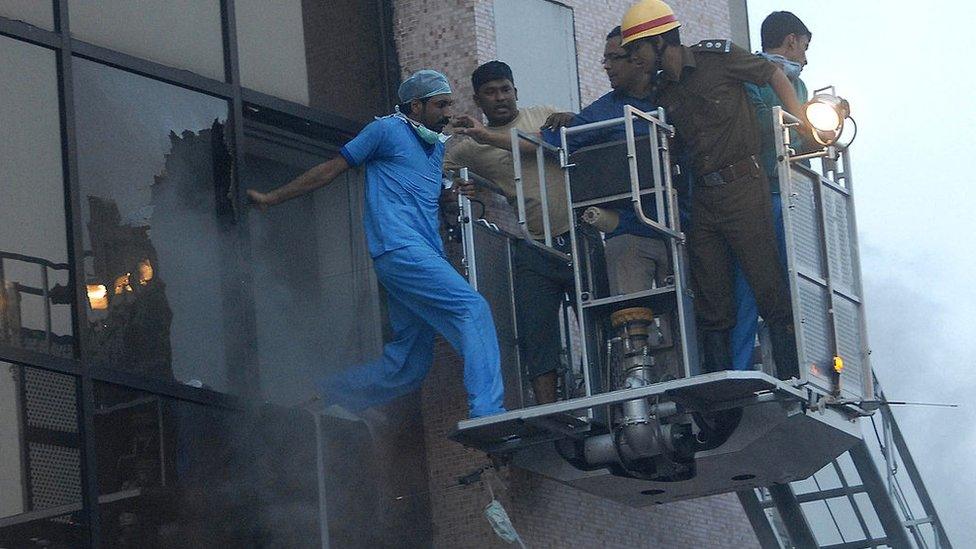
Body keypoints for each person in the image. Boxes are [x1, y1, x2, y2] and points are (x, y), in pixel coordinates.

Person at [247, 70, 505, 418]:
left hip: (421, 255)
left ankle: (319, 398)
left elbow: (424, 196)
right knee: (472, 310)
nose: (447, 113)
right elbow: (330, 170)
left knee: (409, 366)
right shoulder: (386, 130)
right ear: (416, 105)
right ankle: (488, 412)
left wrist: (452, 195)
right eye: (441, 104)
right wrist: (272, 198)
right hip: (401, 250)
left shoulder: (433, 150)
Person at [620, 0, 802, 378]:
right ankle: (723, 389)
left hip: (743, 188)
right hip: (702, 198)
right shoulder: (661, 90)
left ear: (658, 42)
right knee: (712, 298)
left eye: (636, 48)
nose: (634, 57)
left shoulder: (716, 58)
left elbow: (773, 74)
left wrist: (802, 123)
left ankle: (792, 377)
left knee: (768, 287)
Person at [444, 61, 573, 404]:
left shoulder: (542, 116)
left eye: (505, 89)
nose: (500, 97)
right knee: (536, 333)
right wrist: (465, 188)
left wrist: (568, 118)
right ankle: (548, 410)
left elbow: (558, 139)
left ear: (516, 91)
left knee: (600, 315)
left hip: (578, 235)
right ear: (478, 100)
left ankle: (617, 393)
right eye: (490, 92)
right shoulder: (468, 148)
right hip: (532, 245)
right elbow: (437, 176)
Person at [730, 11, 812, 372]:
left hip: (790, 192)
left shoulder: (800, 88)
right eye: (804, 47)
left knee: (796, 281)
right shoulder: (749, 73)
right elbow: (761, 123)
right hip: (757, 192)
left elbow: (807, 138)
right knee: (749, 282)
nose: (805, 59)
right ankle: (741, 366)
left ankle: (797, 364)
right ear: (791, 40)